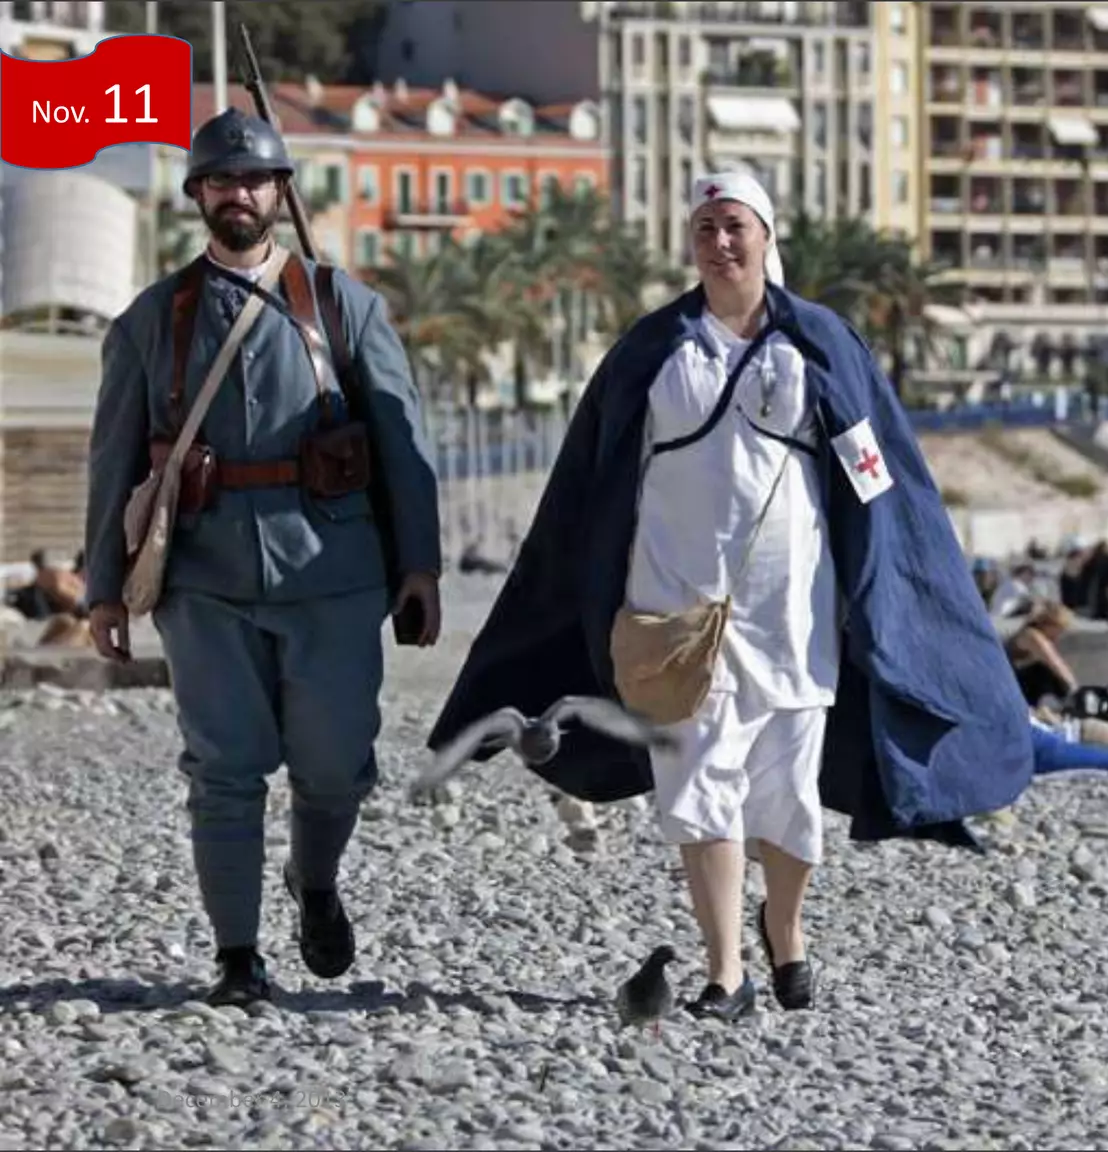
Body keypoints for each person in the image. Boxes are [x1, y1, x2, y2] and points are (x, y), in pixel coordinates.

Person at [428, 171, 1034, 1022]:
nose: (718, 242)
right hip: (671, 607)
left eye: (734, 226)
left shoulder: (821, 344)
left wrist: (890, 593)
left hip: (793, 613)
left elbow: (878, 480)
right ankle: (725, 972)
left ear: (765, 236)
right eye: (705, 226)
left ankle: (783, 933)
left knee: (785, 786)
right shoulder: (652, 349)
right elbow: (590, 485)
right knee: (699, 779)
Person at [81, 108, 443, 1006]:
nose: (237, 193)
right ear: (196, 194)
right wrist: (103, 591)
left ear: (281, 193)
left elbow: (403, 442)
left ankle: (314, 884)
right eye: (220, 180)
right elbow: (114, 457)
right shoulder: (149, 322)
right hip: (203, 580)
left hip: (334, 575)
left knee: (334, 763)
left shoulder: (341, 303)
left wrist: (420, 567)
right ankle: (237, 958)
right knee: (224, 769)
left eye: (255, 180)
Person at [1006, 600, 1081, 707]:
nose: (1060, 635)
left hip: (1016, 683)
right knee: (1043, 671)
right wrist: (1075, 689)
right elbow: (1055, 663)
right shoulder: (1032, 636)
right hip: (1013, 684)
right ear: (1051, 624)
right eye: (1060, 629)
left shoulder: (1034, 634)